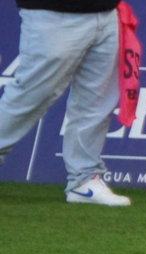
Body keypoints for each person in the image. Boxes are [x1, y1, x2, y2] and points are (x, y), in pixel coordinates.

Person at [0, 0, 131, 206]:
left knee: (96, 100)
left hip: (107, 12)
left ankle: (84, 180)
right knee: (30, 96)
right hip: (52, 12)